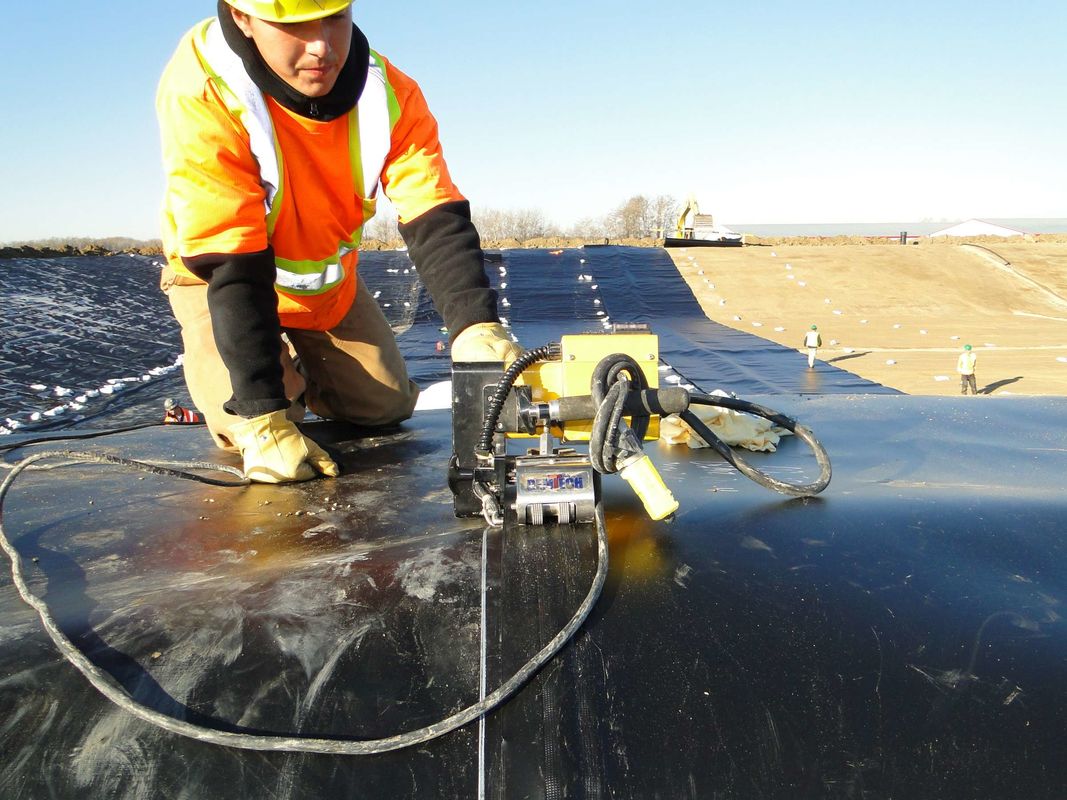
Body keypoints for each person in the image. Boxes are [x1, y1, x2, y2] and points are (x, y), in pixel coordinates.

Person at [156, 0, 521, 484]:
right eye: (294, 25)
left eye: (334, 18)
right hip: (220, 282)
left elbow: (432, 209)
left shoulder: (388, 93)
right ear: (242, 18)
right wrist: (264, 413)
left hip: (323, 288)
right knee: (261, 418)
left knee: (385, 406)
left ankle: (298, 372)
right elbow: (230, 253)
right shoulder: (204, 86)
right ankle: (275, 384)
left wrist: (474, 325)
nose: (321, 47)